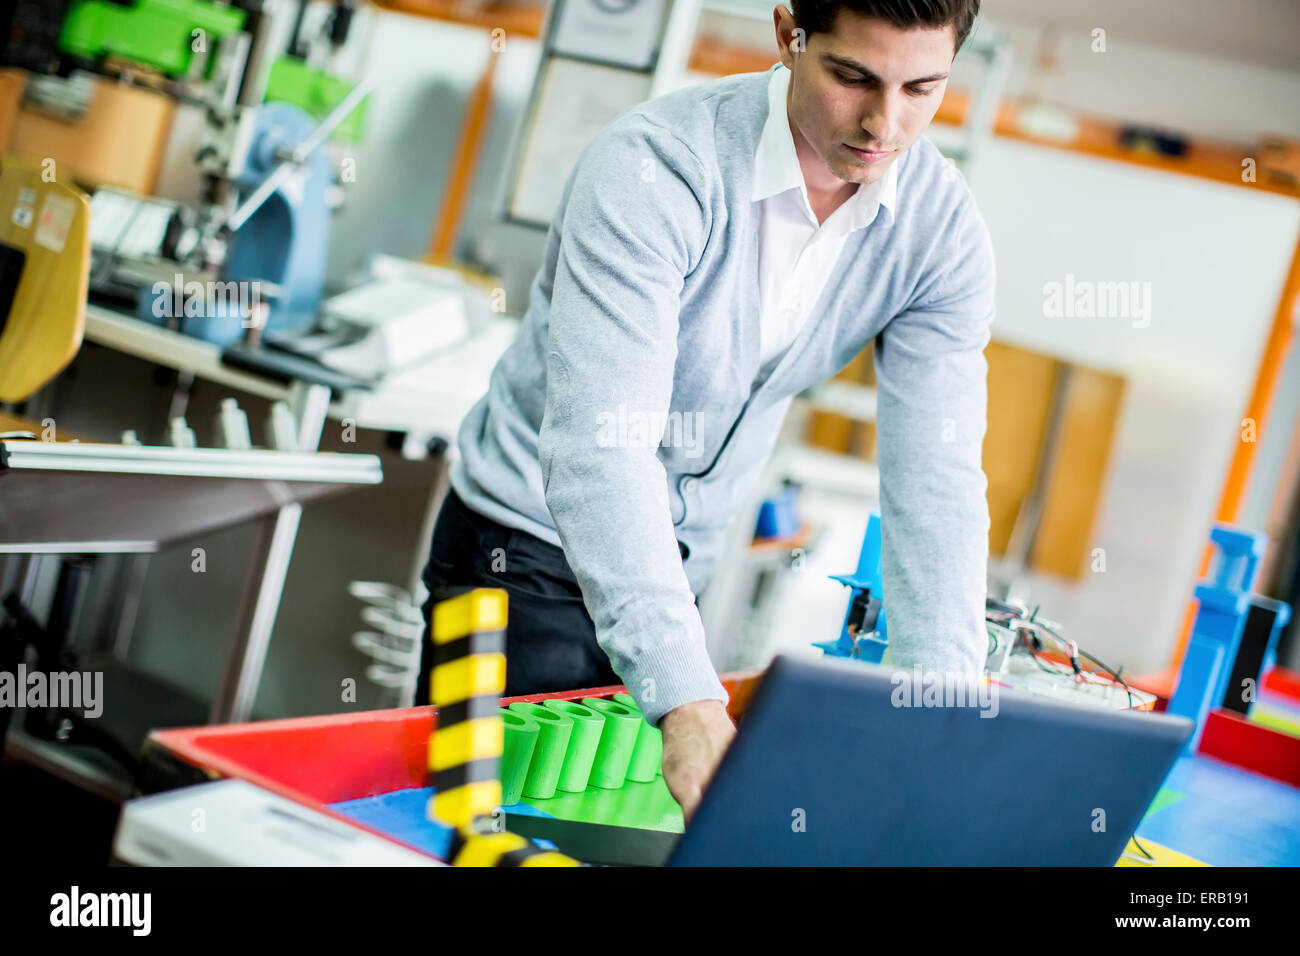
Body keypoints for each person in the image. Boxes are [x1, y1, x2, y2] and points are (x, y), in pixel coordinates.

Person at [418, 0, 994, 818]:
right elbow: (600, 453)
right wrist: (686, 700)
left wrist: (943, 706)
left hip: (675, 565)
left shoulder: (940, 231)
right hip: (520, 551)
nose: (883, 123)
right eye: (852, 76)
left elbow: (936, 477)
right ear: (789, 35)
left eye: (922, 89)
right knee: (480, 832)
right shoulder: (655, 166)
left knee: (613, 830)